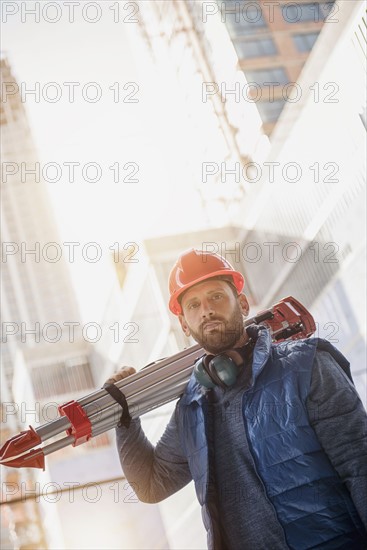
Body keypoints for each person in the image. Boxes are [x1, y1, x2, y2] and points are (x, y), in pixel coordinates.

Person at [107, 249, 367, 549]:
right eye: (193, 304)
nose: (206, 310)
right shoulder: (192, 409)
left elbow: (359, 464)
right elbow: (151, 484)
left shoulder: (306, 365)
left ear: (242, 303)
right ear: (184, 325)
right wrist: (124, 416)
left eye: (216, 296)